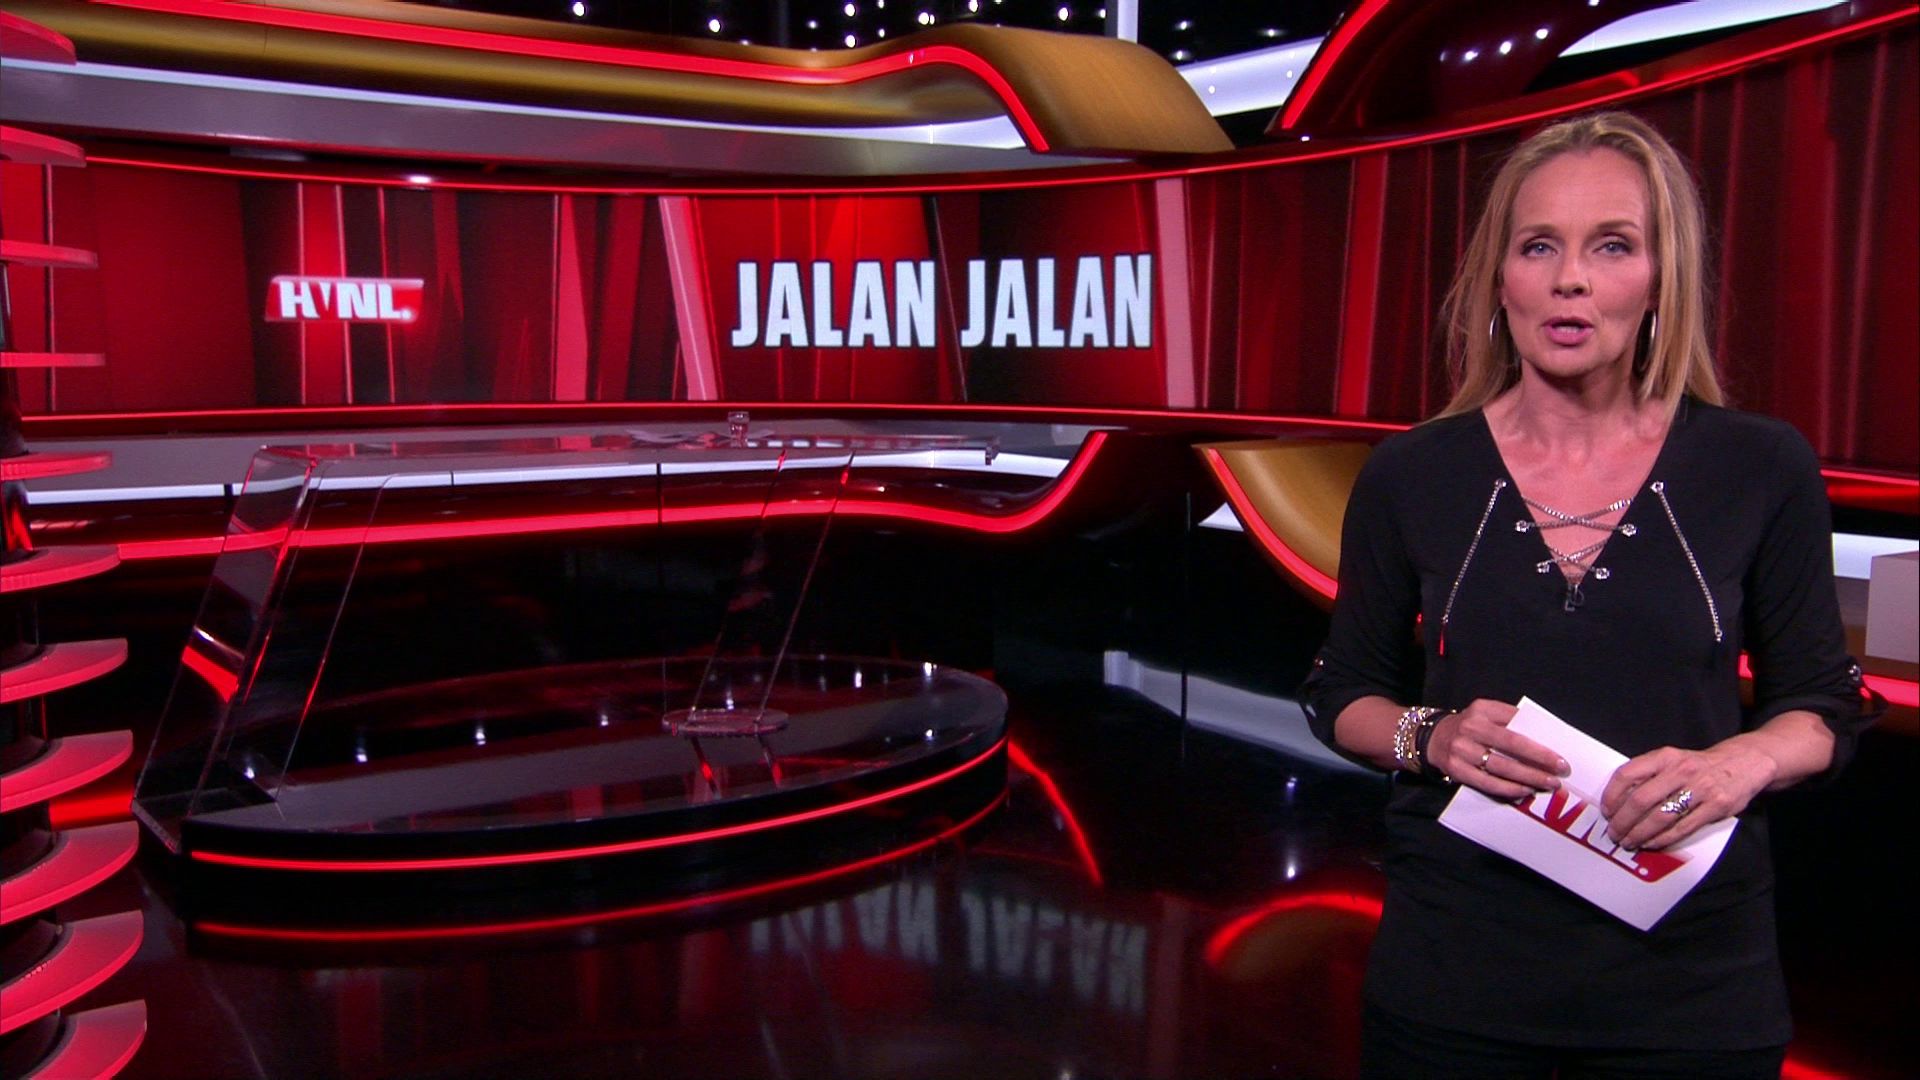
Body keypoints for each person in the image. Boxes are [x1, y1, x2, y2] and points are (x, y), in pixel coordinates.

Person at [1302, 111, 1876, 1078]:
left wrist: (1737, 764)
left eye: (1612, 245)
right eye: (1539, 246)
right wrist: (1430, 736)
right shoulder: (1412, 473)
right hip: (1456, 986)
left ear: (1660, 278)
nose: (1570, 277)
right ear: (1501, 278)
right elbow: (1339, 691)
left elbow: (1822, 704)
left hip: (1691, 997)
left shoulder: (1761, 466)